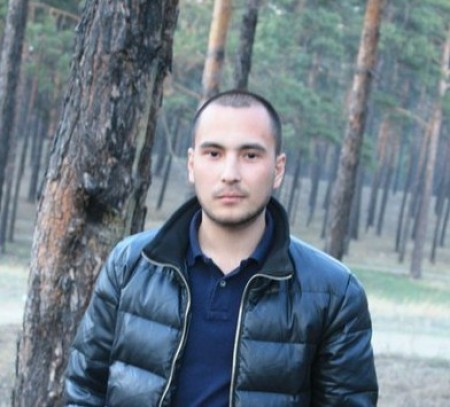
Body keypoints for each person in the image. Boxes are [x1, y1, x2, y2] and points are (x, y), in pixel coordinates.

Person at [65, 89, 378, 406]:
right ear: (192, 164)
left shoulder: (334, 292)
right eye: (214, 154)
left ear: (278, 169)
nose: (230, 174)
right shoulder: (130, 264)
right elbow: (84, 390)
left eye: (250, 155)